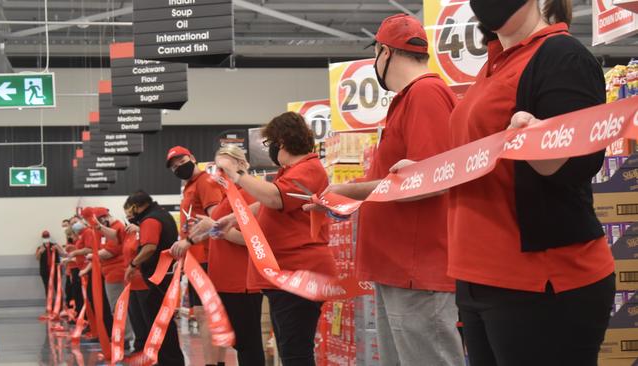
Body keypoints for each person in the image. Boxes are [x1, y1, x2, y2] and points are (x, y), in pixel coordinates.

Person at [405, 1, 613, 365]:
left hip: (540, 280)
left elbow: (577, 164)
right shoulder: (494, 64)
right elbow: (478, 161)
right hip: (477, 276)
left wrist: (534, 139)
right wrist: (423, 171)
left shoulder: (561, 55)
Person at [317, 14, 465, 366]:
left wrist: (348, 191)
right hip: (398, 268)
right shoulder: (410, 98)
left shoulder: (426, 95)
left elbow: (427, 182)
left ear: (384, 52)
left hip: (416, 267)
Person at [214, 112, 336, 366]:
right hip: (285, 275)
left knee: (295, 351)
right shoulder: (293, 171)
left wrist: (238, 175)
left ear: (282, 141)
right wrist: (236, 217)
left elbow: (275, 198)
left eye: (270, 143)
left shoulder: (308, 170)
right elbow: (270, 203)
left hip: (299, 273)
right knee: (288, 347)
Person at [178, 145, 265, 366]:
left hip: (242, 282)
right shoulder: (229, 195)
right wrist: (192, 239)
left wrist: (215, 227)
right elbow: (217, 230)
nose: (220, 174)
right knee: (240, 342)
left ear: (241, 165)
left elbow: (251, 240)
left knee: (248, 343)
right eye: (218, 169)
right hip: (226, 281)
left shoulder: (249, 194)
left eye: (226, 168)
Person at [165, 146, 226, 366]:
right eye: (173, 166)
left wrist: (189, 241)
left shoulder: (205, 183)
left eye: (180, 162)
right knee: (203, 314)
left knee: (206, 314)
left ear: (192, 158)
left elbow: (217, 222)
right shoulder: (190, 186)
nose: (177, 167)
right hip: (196, 260)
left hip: (208, 258)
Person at [124, 191, 185, 366]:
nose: (129, 215)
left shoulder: (150, 220)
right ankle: (168, 360)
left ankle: (169, 361)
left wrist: (133, 264)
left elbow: (149, 247)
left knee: (160, 323)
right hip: (165, 276)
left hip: (157, 278)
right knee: (164, 322)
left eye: (130, 210)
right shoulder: (162, 214)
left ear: (136, 206)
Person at [92, 207, 134, 350]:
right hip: (109, 273)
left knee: (118, 307)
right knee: (116, 308)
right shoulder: (106, 230)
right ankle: (122, 336)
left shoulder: (116, 228)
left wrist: (94, 256)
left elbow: (111, 251)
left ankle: (125, 338)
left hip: (117, 273)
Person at [121, 209, 151, 354]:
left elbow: (151, 246)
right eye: (126, 215)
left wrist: (140, 229)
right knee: (135, 316)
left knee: (147, 316)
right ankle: (139, 346)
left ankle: (150, 348)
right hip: (131, 282)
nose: (128, 218)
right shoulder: (128, 234)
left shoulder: (145, 229)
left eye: (131, 215)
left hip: (144, 280)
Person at [35, 230, 58, 295]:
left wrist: (58, 248)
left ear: (49, 237)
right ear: (42, 238)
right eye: (44, 237)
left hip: (55, 270)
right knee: (47, 288)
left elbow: (62, 254)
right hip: (45, 271)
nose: (46, 238)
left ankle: (60, 303)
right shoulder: (39, 248)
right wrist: (40, 252)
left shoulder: (54, 246)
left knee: (57, 287)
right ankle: (49, 303)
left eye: (47, 237)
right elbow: (37, 258)